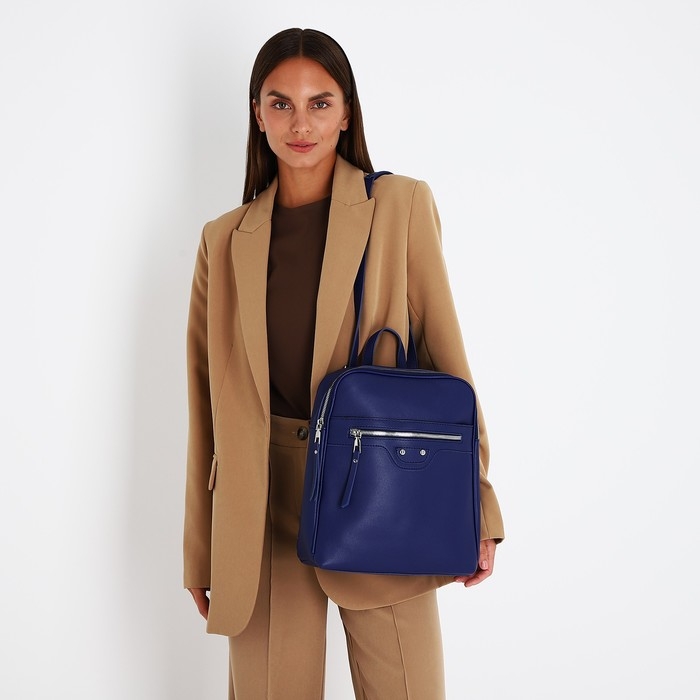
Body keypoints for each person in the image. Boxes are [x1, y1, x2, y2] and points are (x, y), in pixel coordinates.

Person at [184, 27, 504, 699]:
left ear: (347, 112)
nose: (300, 124)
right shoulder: (224, 240)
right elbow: (208, 405)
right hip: (261, 508)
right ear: (257, 114)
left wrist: (480, 506)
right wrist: (203, 548)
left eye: (320, 103)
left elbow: (448, 362)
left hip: (385, 484)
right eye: (281, 104)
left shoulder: (400, 206)